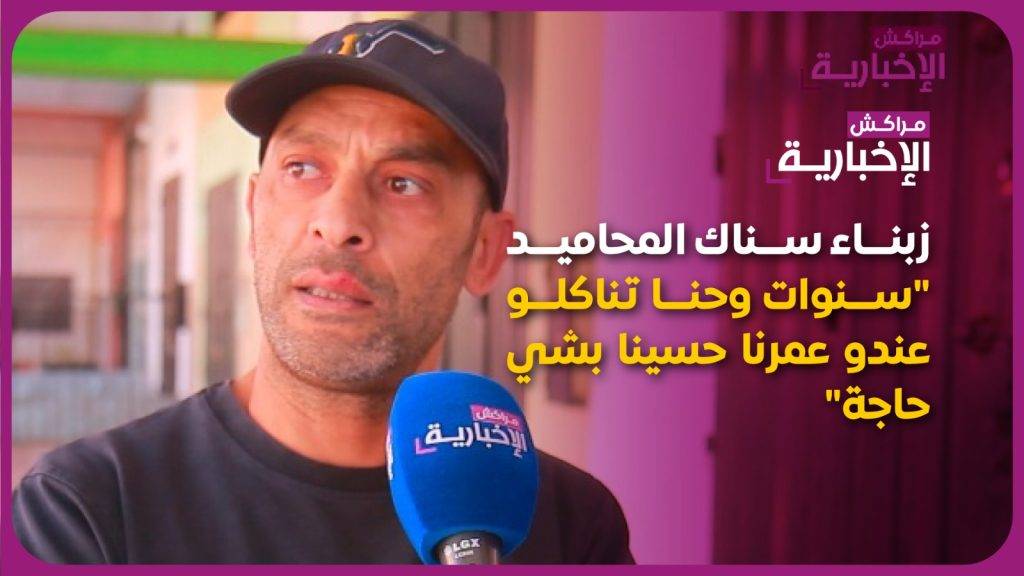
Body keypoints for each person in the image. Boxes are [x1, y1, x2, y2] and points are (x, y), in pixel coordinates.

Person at [12, 19, 634, 564]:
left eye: (404, 183)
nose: (338, 223)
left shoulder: (574, 528)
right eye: (303, 168)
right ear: (254, 212)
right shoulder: (88, 513)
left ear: (485, 251)